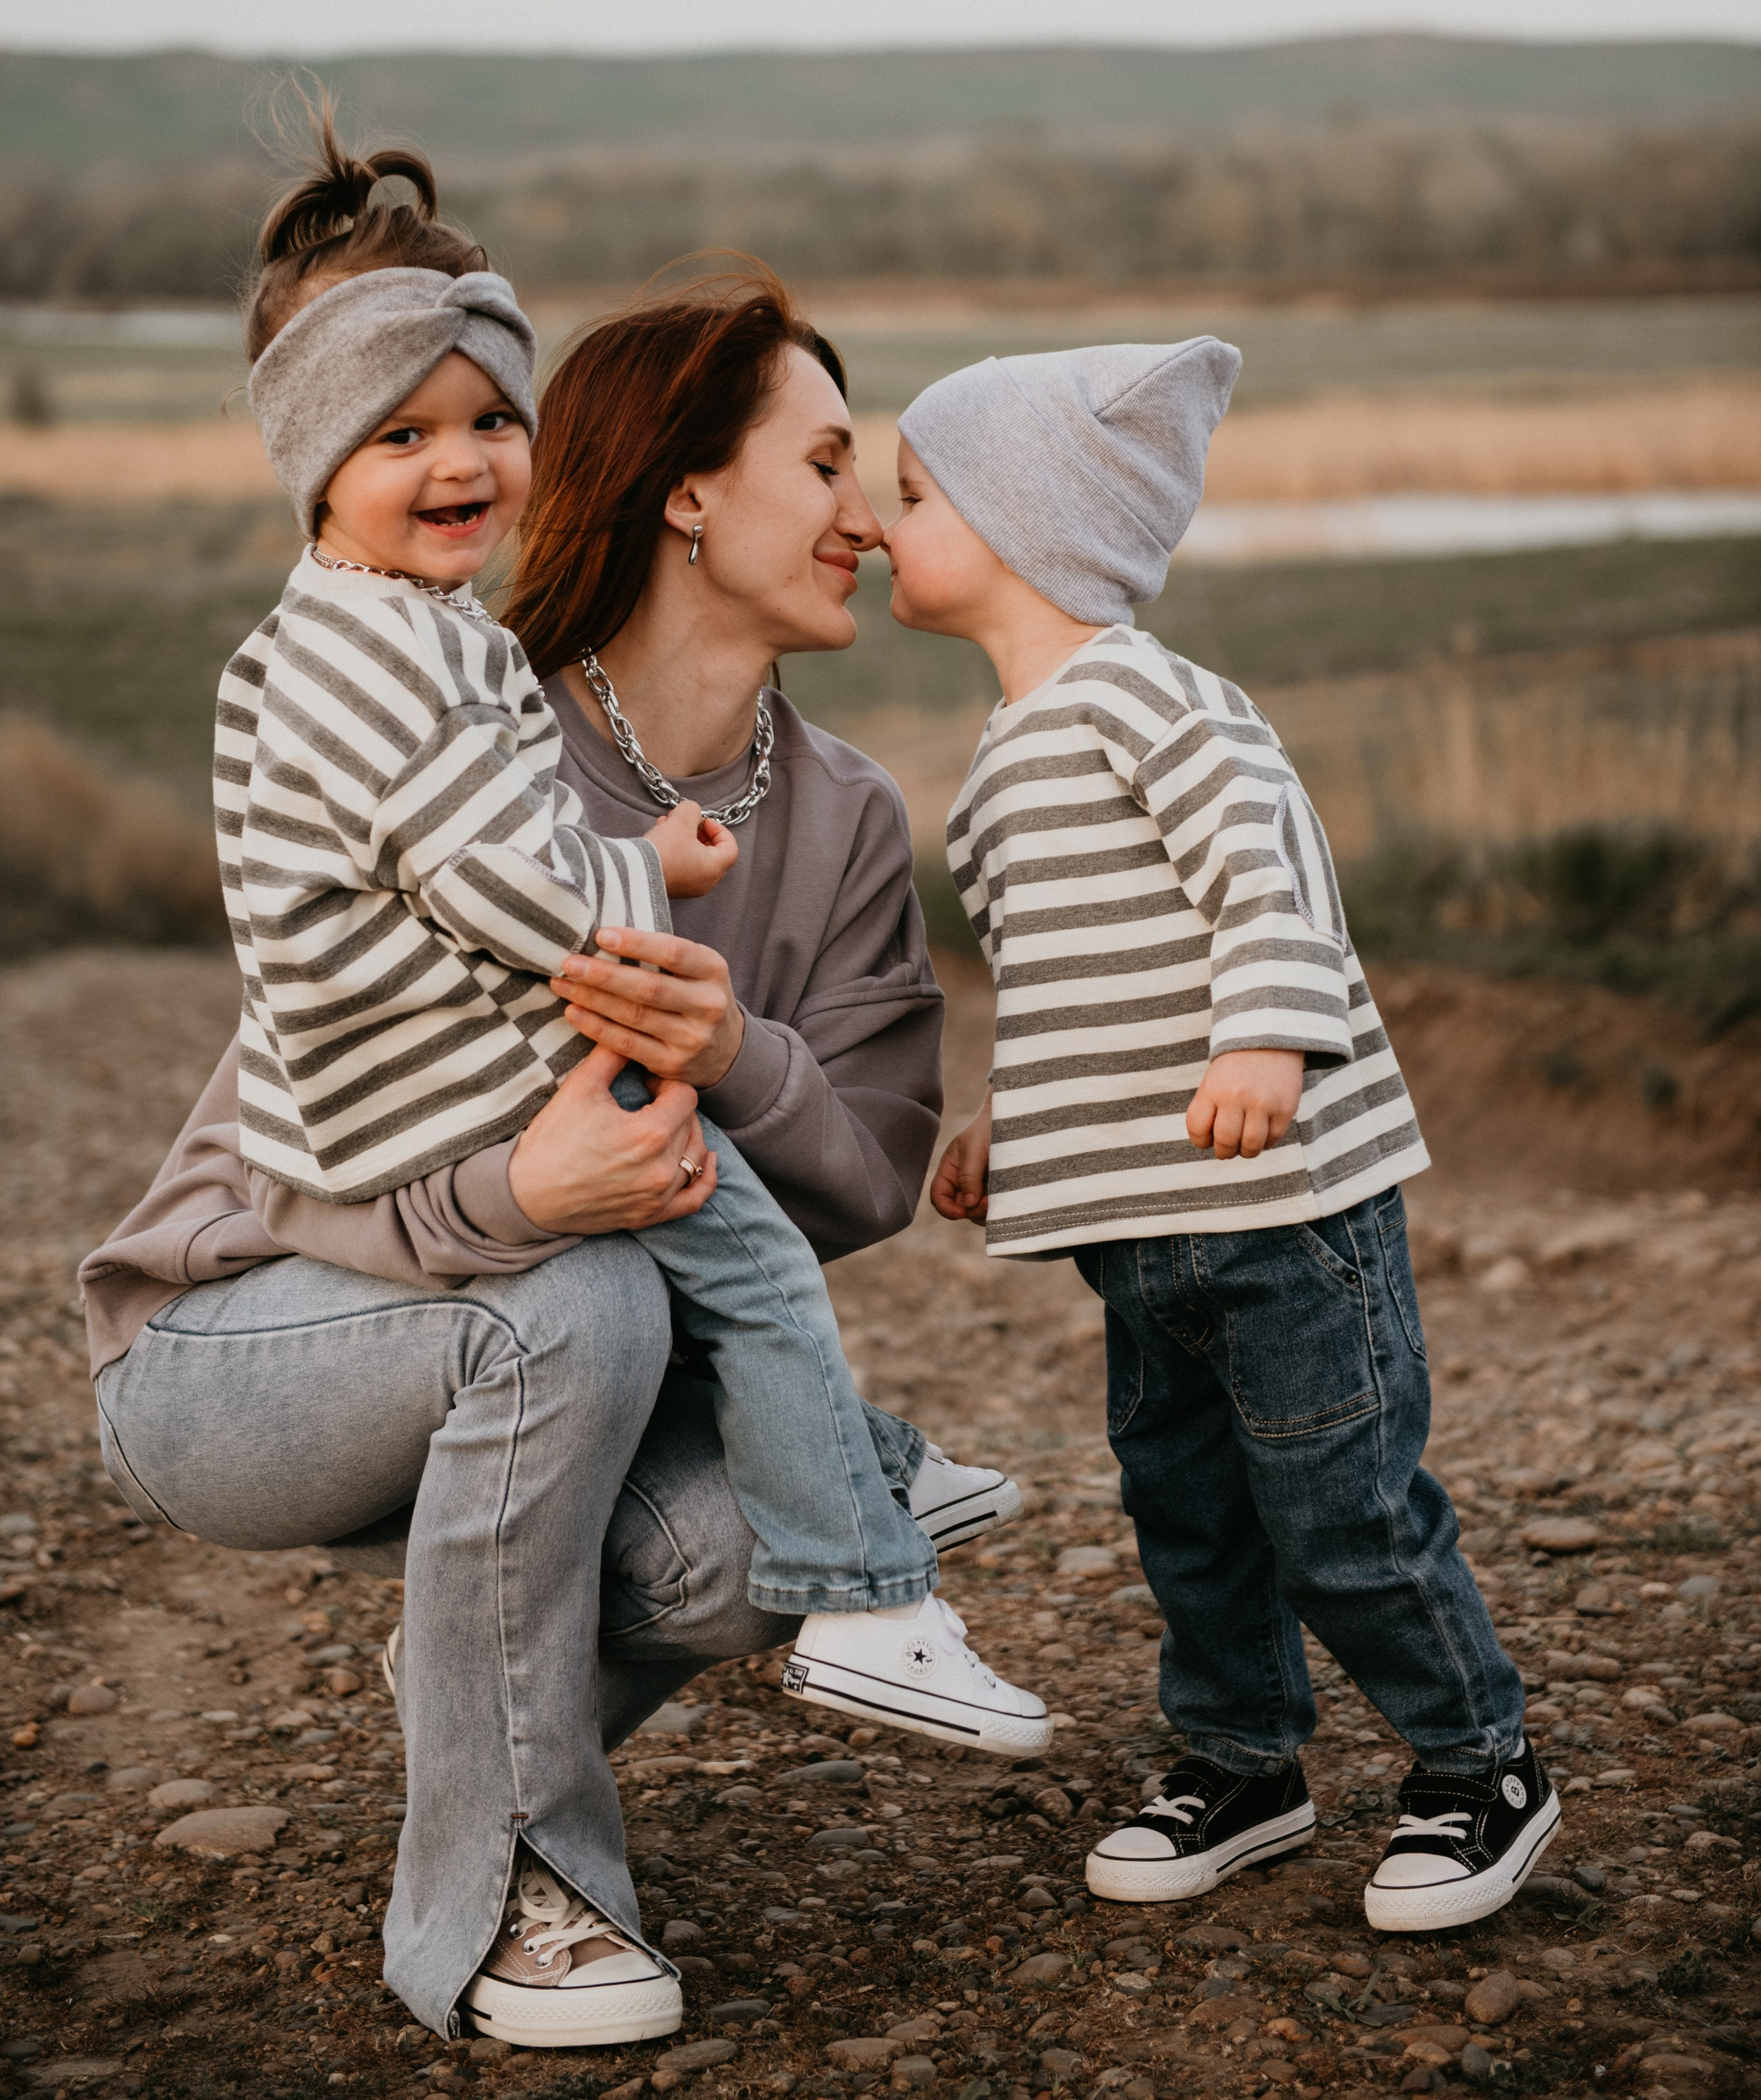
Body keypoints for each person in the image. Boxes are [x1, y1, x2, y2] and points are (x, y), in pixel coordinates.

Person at [78, 143, 1022, 2050]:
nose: (870, 510)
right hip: (247, 1339)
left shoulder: (839, 815)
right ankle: (518, 1894)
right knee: (578, 1294)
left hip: (537, 1329)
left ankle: (488, 1774)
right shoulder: (455, 731)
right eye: (826, 462)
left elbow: (866, 1172)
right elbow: (304, 1147)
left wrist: (722, 1047)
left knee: (768, 1518)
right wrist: (528, 1200)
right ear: (690, 494)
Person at [883, 338, 1559, 1933]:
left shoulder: (1146, 696)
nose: (877, 522)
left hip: (1280, 1206)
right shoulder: (1001, 755)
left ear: (1017, 524)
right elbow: (1074, 974)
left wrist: (1265, 1035)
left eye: (910, 495)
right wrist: (1006, 1111)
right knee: (1184, 1506)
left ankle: (1481, 1763)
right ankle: (1242, 1758)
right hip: (1134, 1225)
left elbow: (1269, 870)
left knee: (1342, 1515)